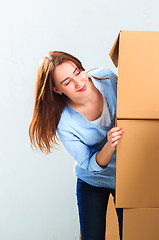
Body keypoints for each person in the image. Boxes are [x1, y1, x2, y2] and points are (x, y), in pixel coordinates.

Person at [28, 51, 124, 240]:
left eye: (78, 72)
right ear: (57, 89)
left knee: (131, 234)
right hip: (92, 182)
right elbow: (88, 162)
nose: (79, 82)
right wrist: (109, 146)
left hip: (124, 177)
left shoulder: (107, 78)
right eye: (67, 82)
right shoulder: (64, 122)